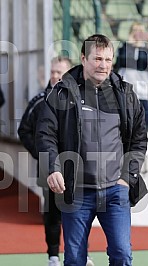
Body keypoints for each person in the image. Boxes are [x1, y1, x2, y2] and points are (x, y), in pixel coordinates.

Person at [35, 34, 148, 266]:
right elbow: (45, 135)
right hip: (75, 192)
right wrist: (53, 168)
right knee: (75, 259)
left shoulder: (125, 94)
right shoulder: (60, 93)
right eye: (97, 59)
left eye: (108, 59)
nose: (103, 65)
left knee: (122, 254)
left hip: (115, 191)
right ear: (84, 58)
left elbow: (139, 139)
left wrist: (127, 177)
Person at [18, 56, 76, 266]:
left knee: (78, 212)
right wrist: (41, 155)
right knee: (52, 213)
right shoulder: (40, 100)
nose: (54, 76)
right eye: (52, 71)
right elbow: (23, 130)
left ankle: (79, 253)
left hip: (75, 169)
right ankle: (53, 256)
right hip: (48, 169)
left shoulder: (80, 99)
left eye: (59, 72)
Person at [114, 21, 148, 128]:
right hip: (129, 89)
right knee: (128, 121)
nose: (138, 34)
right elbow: (122, 61)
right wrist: (130, 45)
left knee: (144, 121)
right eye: (135, 31)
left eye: (140, 31)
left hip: (146, 90)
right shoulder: (124, 47)